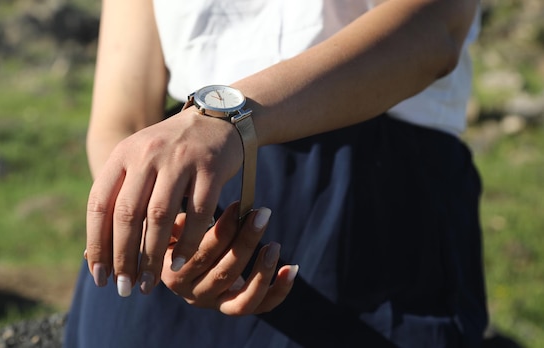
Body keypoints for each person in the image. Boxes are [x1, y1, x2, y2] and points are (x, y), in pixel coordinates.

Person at [64, 0, 488, 346]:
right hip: (177, 211)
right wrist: (158, 234)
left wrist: (231, 118)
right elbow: (119, 117)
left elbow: (436, 27)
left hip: (375, 213)